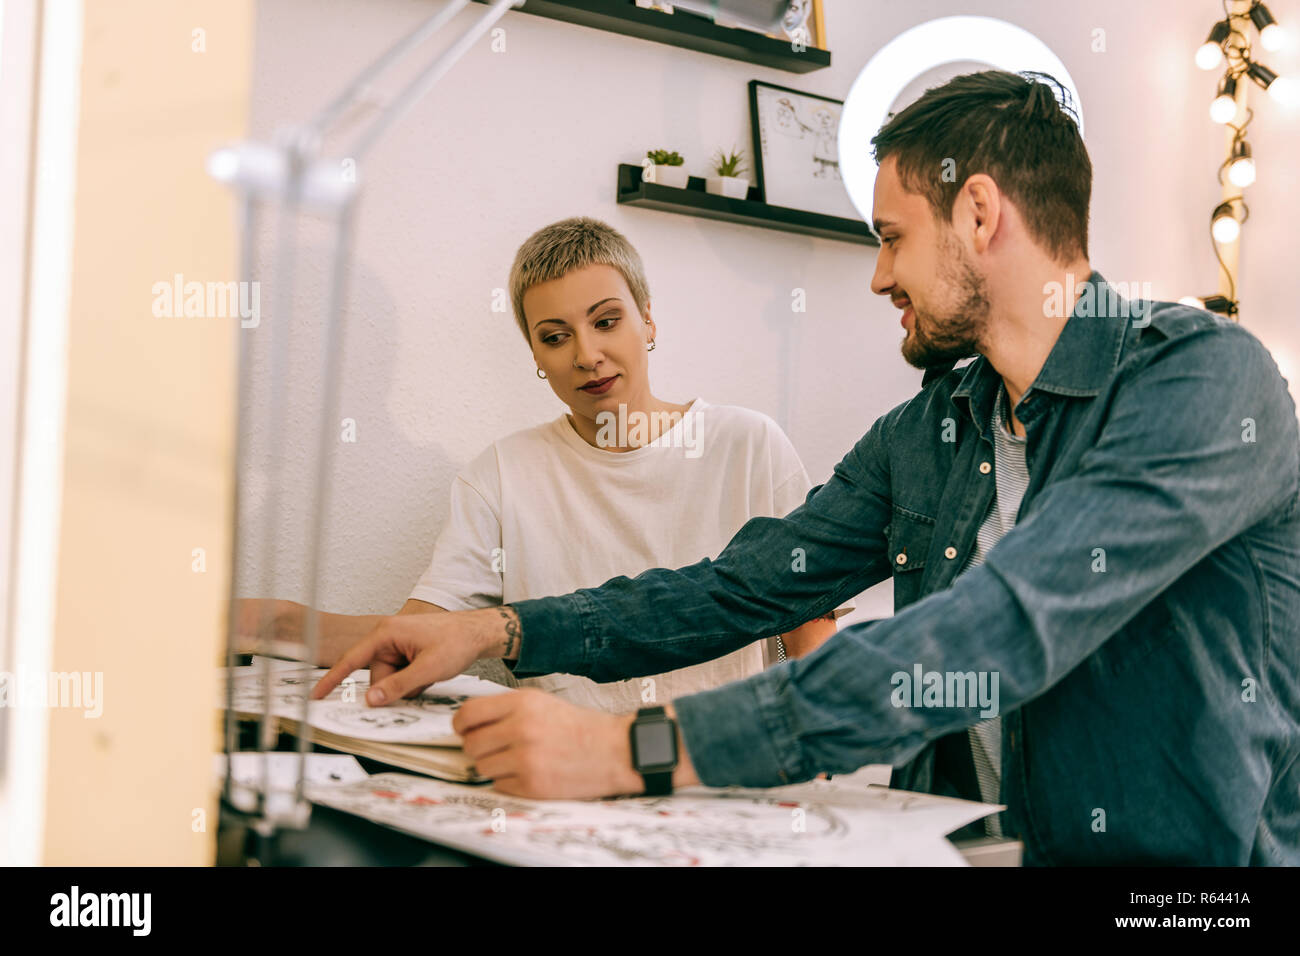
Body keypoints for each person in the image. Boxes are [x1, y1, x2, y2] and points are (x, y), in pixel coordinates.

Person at [311, 71, 1300, 865]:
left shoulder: (1205, 380)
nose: (877, 275)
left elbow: (1002, 624)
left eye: (891, 237)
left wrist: (630, 750)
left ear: (982, 214)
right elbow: (739, 587)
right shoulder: (929, 430)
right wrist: (499, 626)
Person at [239, 217, 841, 712]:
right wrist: (277, 625)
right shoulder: (502, 474)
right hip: (557, 777)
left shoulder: (748, 445)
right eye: (555, 337)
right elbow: (419, 635)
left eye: (606, 322)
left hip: (723, 769)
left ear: (648, 320)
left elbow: (809, 633)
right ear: (535, 354)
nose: (587, 355)